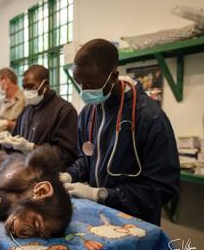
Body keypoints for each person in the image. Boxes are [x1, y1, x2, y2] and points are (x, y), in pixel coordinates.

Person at [61, 39, 179, 225]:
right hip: (97, 217)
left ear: (114, 76)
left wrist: (101, 194)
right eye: (79, 83)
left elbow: (162, 188)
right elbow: (87, 158)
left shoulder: (149, 117)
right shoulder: (88, 113)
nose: (84, 91)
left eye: (90, 85)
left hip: (135, 223)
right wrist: (69, 175)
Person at [0, 65, 78, 165]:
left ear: (45, 84)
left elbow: (68, 154)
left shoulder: (64, 111)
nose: (26, 91)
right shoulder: (26, 111)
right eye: (24, 87)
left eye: (31, 86)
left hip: (49, 174)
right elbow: (16, 148)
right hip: (25, 170)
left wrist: (32, 148)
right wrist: (8, 143)